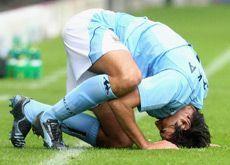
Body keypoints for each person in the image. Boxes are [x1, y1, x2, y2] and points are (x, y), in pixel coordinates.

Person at [9, 9, 210, 150]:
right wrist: (145, 145)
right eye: (164, 129)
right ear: (184, 122)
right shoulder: (175, 86)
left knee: (120, 139)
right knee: (129, 78)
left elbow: (119, 100)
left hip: (111, 57)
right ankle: (50, 117)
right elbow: (121, 103)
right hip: (94, 26)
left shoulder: (195, 97)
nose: (157, 125)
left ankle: (30, 110)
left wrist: (200, 142)